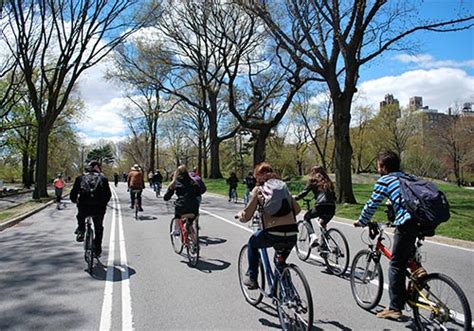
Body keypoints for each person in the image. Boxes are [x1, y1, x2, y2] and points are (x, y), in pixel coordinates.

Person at [353, 150, 426, 320]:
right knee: (406, 256)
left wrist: (362, 221)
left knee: (395, 264)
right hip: (423, 222)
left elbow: (372, 204)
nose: (378, 169)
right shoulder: (408, 177)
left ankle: (395, 308)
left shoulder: (385, 180)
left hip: (407, 223)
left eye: (378, 165)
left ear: (383, 167)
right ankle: (417, 270)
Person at [236, 162, 301, 289]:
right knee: (280, 262)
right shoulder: (283, 187)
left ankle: (252, 277)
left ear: (258, 176)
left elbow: (247, 215)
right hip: (292, 233)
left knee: (252, 243)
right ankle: (288, 293)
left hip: (272, 233)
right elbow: (297, 210)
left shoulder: (259, 189)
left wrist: (240, 215)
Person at [70, 161, 111, 258]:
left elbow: (73, 193)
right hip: (98, 209)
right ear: (97, 169)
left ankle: (81, 230)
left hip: (84, 207)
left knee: (80, 216)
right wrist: (103, 204)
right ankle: (97, 250)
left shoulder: (80, 178)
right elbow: (108, 195)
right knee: (98, 228)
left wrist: (74, 200)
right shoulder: (103, 179)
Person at [294, 166, 336, 247]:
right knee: (323, 223)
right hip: (331, 207)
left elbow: (304, 192)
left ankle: (313, 236)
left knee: (306, 217)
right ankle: (324, 247)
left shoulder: (313, 180)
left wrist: (296, 198)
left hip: (321, 206)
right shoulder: (328, 181)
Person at [164, 165, 201, 235]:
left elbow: (167, 196)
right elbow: (198, 192)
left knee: (177, 213)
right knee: (192, 217)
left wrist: (166, 198)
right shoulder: (192, 181)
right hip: (194, 207)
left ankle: (176, 229)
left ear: (177, 173)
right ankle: (192, 233)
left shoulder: (175, 182)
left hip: (181, 207)